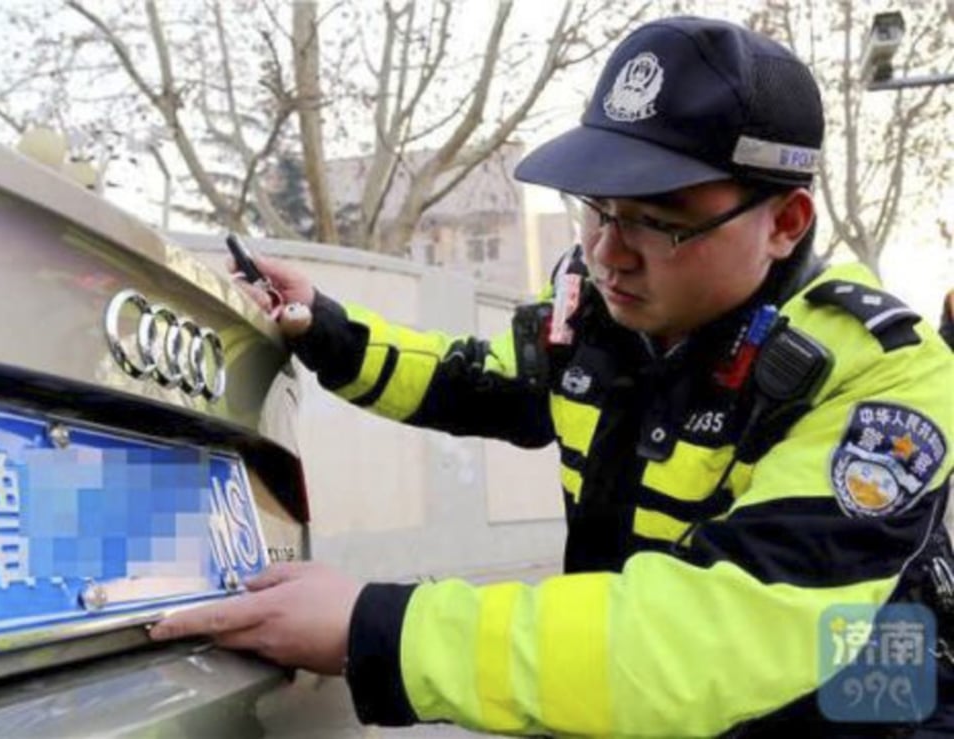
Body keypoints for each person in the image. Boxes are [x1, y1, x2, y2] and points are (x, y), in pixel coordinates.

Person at [150, 16, 954, 736]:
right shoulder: (603, 314)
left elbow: (721, 633)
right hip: (625, 704)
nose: (608, 253)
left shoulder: (882, 376)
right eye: (598, 210)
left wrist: (376, 628)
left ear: (784, 223)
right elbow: (477, 380)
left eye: (655, 222)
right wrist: (327, 328)